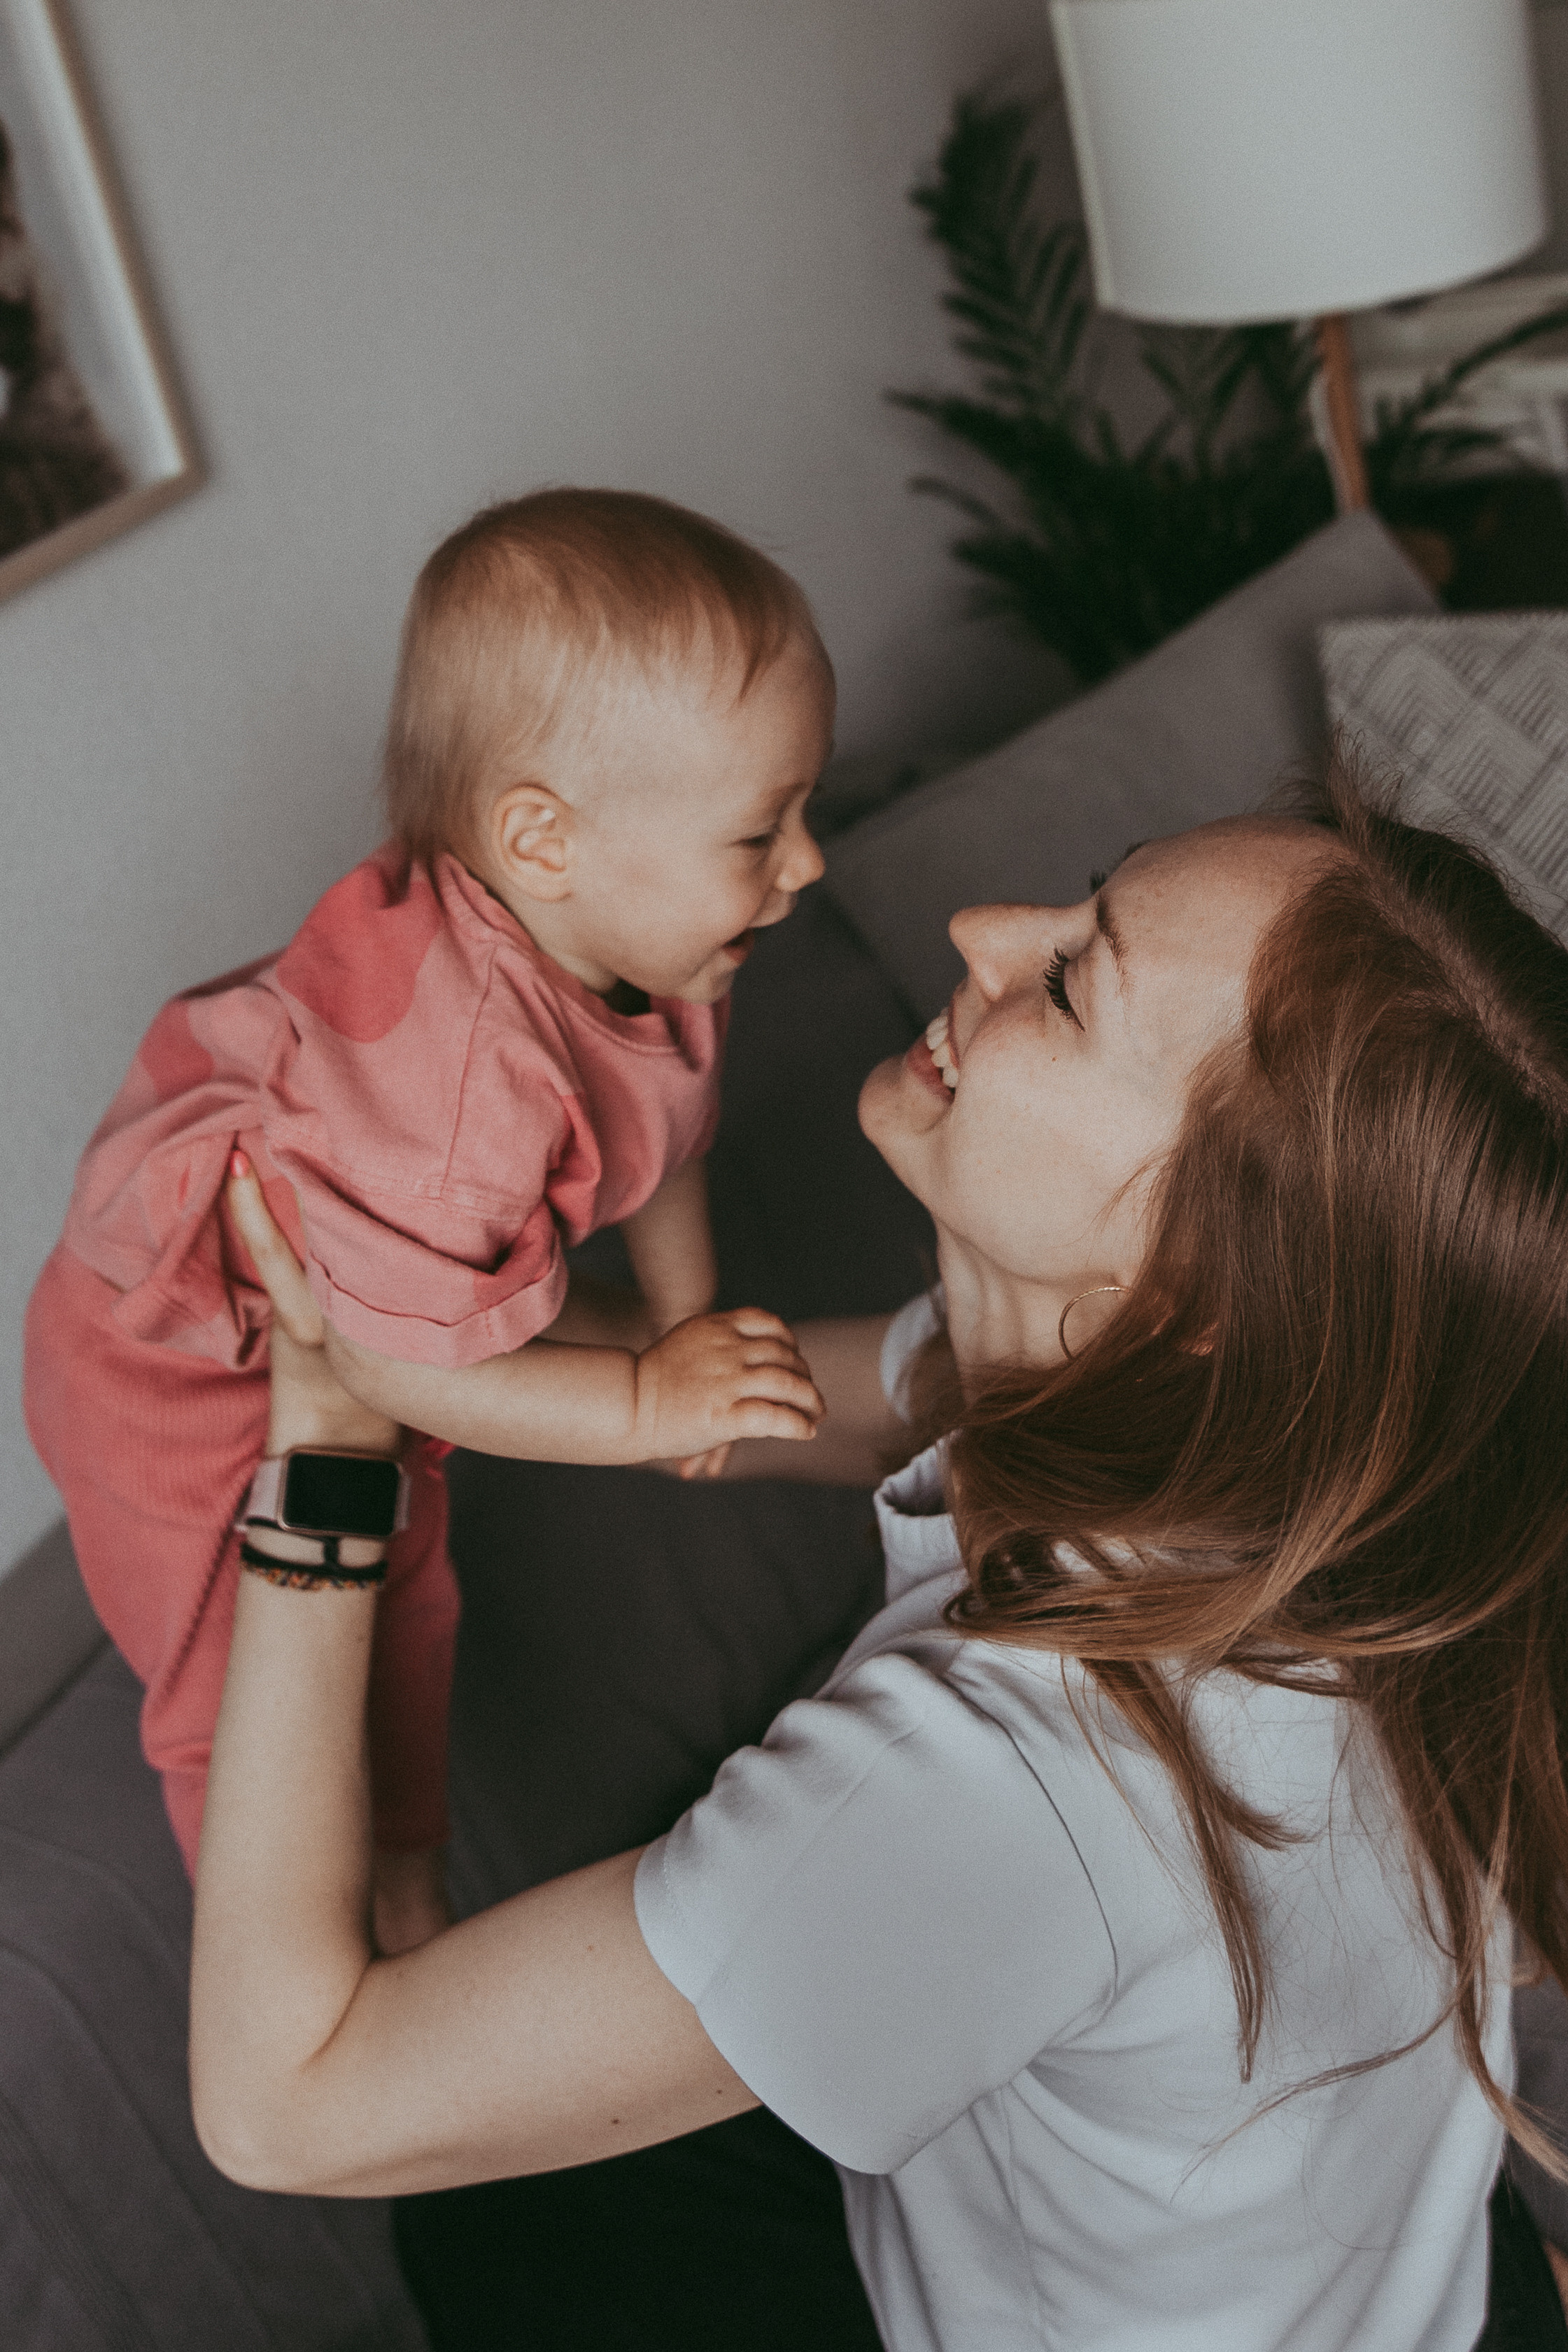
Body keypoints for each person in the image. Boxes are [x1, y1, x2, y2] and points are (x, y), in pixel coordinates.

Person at [190, 766, 1568, 2351]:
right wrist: (385, 1294)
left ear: (1193, 1280)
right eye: (1080, 890)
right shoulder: (1336, 1457)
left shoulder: (995, 1784)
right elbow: (722, 1396)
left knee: (488, 2211)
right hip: (1398, 2269)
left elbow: (284, 2101)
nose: (979, 927)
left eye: (1067, 978)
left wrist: (328, 1441)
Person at [23, 489, 831, 1950]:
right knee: (242, 1685)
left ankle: (406, 1893)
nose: (808, 862)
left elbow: (667, 1134)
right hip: (167, 1360)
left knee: (404, 1608)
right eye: (761, 829)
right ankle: (291, 1943)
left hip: (370, 1304)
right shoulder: (462, 1098)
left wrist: (687, 1315)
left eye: (804, 810)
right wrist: (650, 1396)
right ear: (543, 842)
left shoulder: (661, 950)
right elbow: (394, 1371)